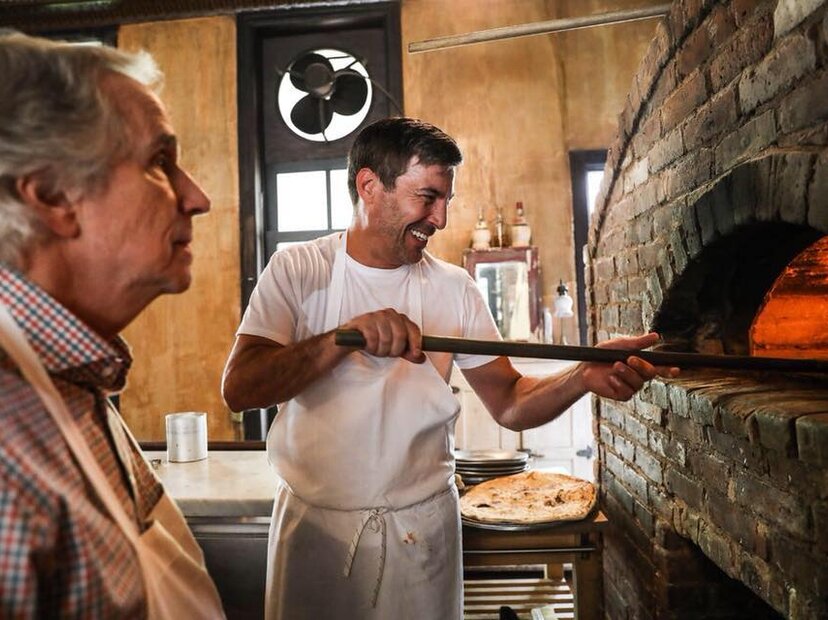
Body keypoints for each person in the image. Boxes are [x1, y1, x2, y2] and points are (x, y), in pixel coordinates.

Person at [221, 117, 679, 620]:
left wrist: (583, 376)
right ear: (369, 186)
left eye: (446, 201)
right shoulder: (297, 270)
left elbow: (509, 401)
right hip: (315, 535)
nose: (439, 219)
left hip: (421, 533)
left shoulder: (454, 287)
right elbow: (240, 388)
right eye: (427, 197)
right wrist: (341, 339)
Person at [0, 33, 224, 618]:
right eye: (158, 162)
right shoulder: (7, 453)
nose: (196, 198)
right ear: (55, 196)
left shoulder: (74, 378)